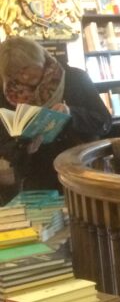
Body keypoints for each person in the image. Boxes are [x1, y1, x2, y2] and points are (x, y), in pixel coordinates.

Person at [0, 36, 110, 191]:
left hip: (81, 172)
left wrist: (71, 114)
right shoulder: (6, 95)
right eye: (16, 73)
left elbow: (104, 122)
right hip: (37, 180)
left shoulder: (75, 78)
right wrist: (23, 146)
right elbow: (3, 144)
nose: (24, 77)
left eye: (27, 68)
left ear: (41, 59)